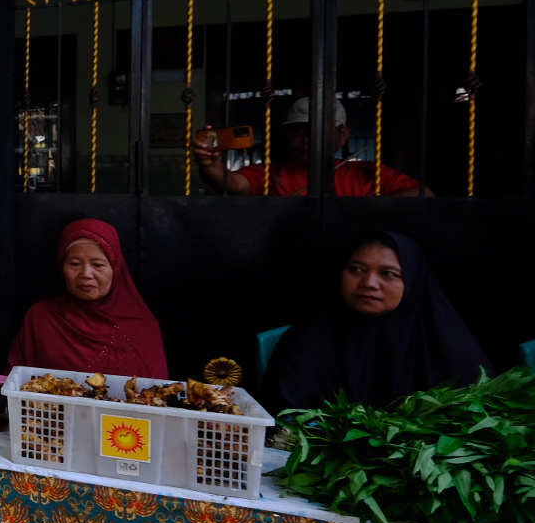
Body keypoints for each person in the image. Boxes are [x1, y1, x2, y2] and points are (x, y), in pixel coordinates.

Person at [267, 230, 487, 409]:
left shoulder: (445, 346)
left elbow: (473, 419)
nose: (369, 283)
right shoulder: (308, 339)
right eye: (356, 269)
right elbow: (285, 418)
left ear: (412, 282)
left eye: (388, 274)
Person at [8, 218, 168, 378]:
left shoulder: (141, 326)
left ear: (115, 269)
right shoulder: (41, 317)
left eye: (98, 265)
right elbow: (14, 380)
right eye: (75, 264)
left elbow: (155, 394)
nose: (86, 274)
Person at [192, 96, 431, 196]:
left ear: (343, 134)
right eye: (298, 131)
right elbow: (232, 183)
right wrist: (210, 165)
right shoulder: (270, 173)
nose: (308, 140)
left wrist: (363, 210)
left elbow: (423, 194)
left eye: (321, 132)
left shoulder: (368, 173)